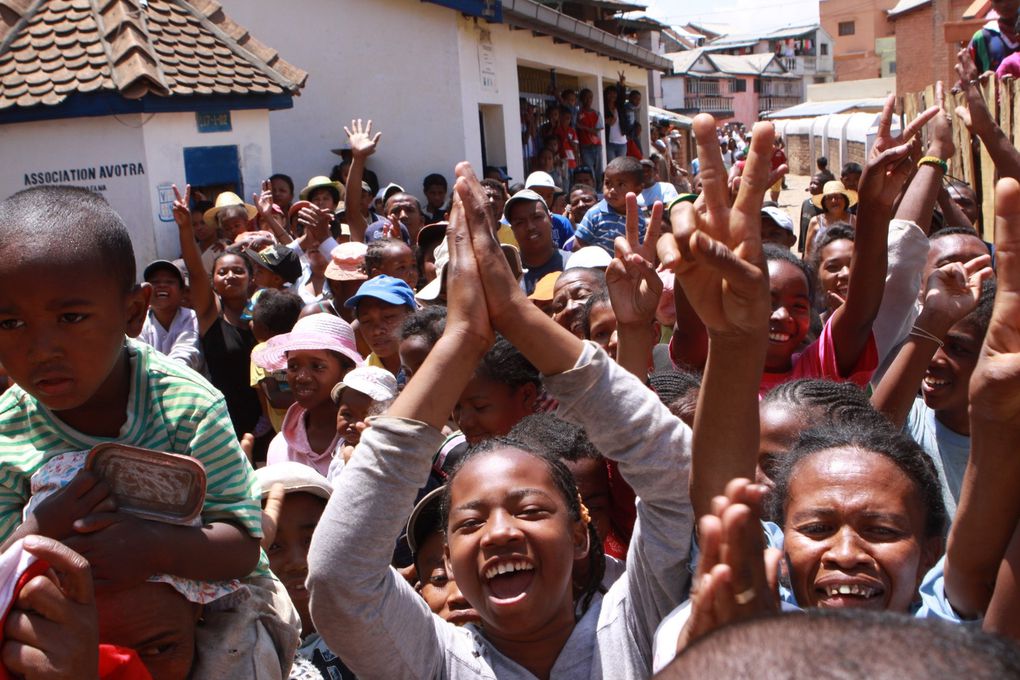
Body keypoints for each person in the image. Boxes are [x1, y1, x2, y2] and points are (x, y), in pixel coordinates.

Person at [307, 160, 694, 680]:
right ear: (447, 558)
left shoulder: (641, 623)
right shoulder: (433, 660)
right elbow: (337, 577)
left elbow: (674, 477)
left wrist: (517, 315)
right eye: (469, 523)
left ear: (581, 535)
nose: (499, 534)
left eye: (531, 510)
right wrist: (462, 338)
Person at [0, 186, 299, 677]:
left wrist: (154, 547)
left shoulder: (187, 405)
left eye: (70, 317)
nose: (40, 348)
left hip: (209, 618)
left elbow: (243, 542)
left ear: (133, 314)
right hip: (72, 636)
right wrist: (40, 528)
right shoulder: (8, 428)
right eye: (10, 322)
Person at [173, 185, 262, 438]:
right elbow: (194, 268)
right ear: (213, 280)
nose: (230, 276)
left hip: (268, 418)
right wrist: (184, 228)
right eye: (222, 272)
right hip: (225, 423)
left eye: (238, 271)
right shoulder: (211, 312)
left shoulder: (263, 309)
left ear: (252, 278)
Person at [255, 463, 357, 679]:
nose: (298, 561)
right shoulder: (246, 650)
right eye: (273, 545)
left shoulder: (368, 621)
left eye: (311, 540)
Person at [254, 314, 363, 476]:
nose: (302, 377)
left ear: (347, 372)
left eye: (317, 366)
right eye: (293, 366)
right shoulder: (281, 446)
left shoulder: (364, 440)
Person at [454, 336, 540, 446]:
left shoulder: (560, 457)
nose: (465, 422)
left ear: (527, 395)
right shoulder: (451, 455)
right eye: (456, 407)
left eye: (480, 407)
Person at [249, 289, 303, 441]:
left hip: (286, 435)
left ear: (265, 330)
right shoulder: (306, 347)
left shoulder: (260, 352)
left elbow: (275, 398)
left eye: (254, 321)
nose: (250, 324)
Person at [344, 274, 417, 380]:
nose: (377, 331)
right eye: (367, 321)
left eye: (388, 317)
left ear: (411, 316)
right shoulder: (362, 379)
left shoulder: (432, 362)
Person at [573, 156, 649, 254]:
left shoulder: (639, 217)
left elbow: (640, 248)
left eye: (621, 184)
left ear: (637, 190)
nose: (612, 190)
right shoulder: (595, 213)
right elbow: (578, 244)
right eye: (608, 183)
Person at [138, 259, 203, 372]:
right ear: (146, 292)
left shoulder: (191, 317)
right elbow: (139, 357)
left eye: (169, 281)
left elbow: (186, 355)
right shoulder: (139, 321)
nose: (162, 285)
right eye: (155, 282)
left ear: (182, 292)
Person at [504, 189, 571, 294]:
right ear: (513, 230)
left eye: (537, 217)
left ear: (550, 219)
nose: (530, 227)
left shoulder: (572, 265)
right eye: (520, 222)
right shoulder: (507, 275)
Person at [803, 180, 856, 261]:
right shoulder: (815, 222)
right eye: (829, 198)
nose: (834, 201)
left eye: (838, 197)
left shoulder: (855, 220)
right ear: (824, 202)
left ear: (845, 200)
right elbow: (808, 253)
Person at [523, 172, 575, 248]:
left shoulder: (562, 222)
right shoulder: (517, 223)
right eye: (539, 194)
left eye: (549, 195)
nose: (545, 200)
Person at [970, 0, 1020, 74]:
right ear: (991, 4)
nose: (1004, 4)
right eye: (997, 1)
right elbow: (968, 77)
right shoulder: (982, 38)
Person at [576, 89, 604, 185]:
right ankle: (592, 189)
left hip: (596, 145)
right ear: (581, 99)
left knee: (598, 170)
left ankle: (600, 190)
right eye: (586, 97)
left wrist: (583, 127)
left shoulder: (596, 113)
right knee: (590, 170)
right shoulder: (578, 113)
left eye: (590, 97)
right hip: (585, 146)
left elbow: (597, 131)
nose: (588, 100)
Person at [798, 173, 826, 254]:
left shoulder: (825, 207)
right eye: (811, 183)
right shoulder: (806, 203)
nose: (812, 186)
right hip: (806, 248)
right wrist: (802, 247)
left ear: (824, 188)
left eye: (816, 183)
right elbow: (802, 227)